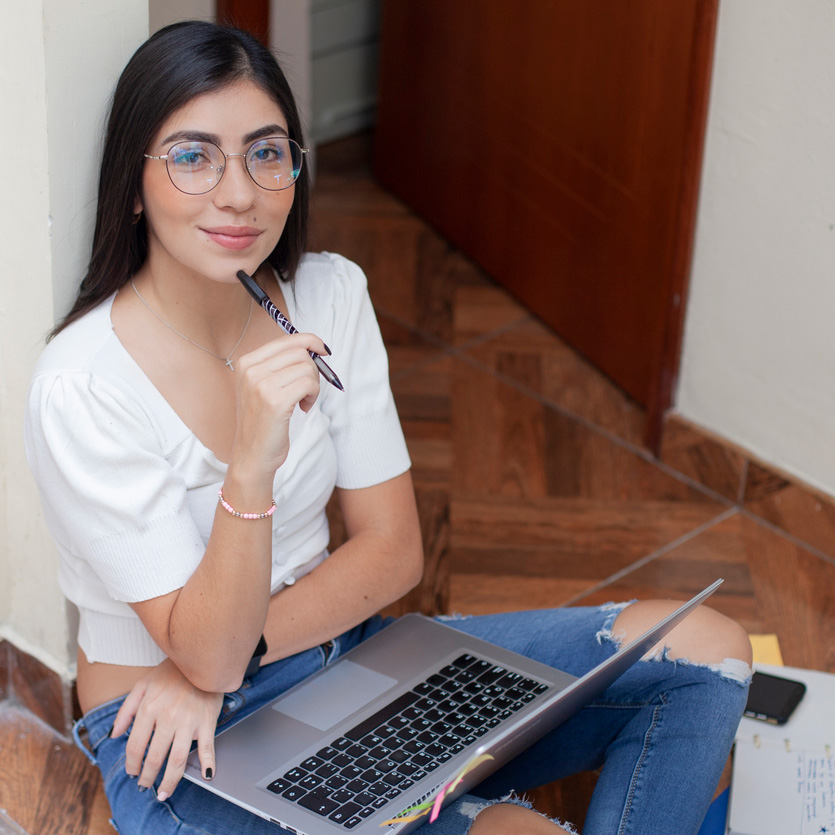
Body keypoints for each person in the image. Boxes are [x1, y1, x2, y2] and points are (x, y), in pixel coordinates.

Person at [24, 20, 752, 835]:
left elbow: (393, 550)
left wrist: (225, 662)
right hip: (179, 740)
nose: (239, 193)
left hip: (345, 654)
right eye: (193, 157)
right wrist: (252, 461)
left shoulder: (329, 292)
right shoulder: (82, 385)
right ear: (133, 182)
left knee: (705, 648)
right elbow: (203, 649)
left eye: (267, 153)